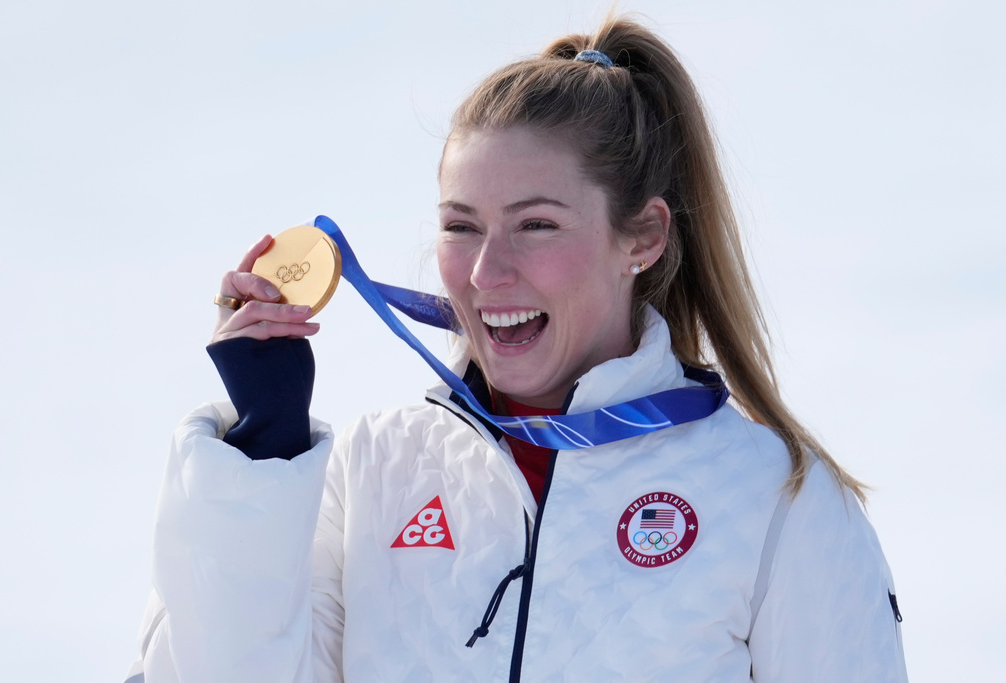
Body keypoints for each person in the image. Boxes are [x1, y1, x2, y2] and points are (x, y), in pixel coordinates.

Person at [127, 16, 908, 683]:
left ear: (643, 236)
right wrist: (261, 451)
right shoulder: (371, 472)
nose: (485, 271)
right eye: (460, 226)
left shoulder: (776, 498)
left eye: (536, 225)